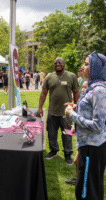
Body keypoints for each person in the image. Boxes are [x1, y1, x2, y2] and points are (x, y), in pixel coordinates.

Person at [65, 52, 106, 200]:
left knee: (86, 191)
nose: (83, 66)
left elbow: (98, 125)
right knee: (89, 187)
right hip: (87, 146)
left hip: (93, 148)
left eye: (87, 64)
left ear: (96, 67)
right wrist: (77, 107)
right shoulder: (93, 87)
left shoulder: (99, 91)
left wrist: (72, 115)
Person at [37, 57, 80, 164]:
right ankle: (54, 150)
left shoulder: (71, 76)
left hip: (67, 113)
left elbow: (76, 92)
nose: (58, 64)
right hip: (52, 111)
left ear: (64, 64)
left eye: (60, 62)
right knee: (51, 133)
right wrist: (40, 107)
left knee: (67, 134)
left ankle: (67, 153)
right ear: (53, 65)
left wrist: (77, 106)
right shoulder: (49, 77)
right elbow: (43, 93)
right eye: (55, 63)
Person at [65, 80, 88, 185]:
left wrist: (71, 113)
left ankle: (82, 182)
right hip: (83, 137)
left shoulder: (90, 100)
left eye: (85, 87)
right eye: (82, 87)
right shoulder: (83, 100)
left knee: (78, 161)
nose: (83, 89)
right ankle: (80, 180)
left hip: (89, 139)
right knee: (78, 162)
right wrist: (74, 125)